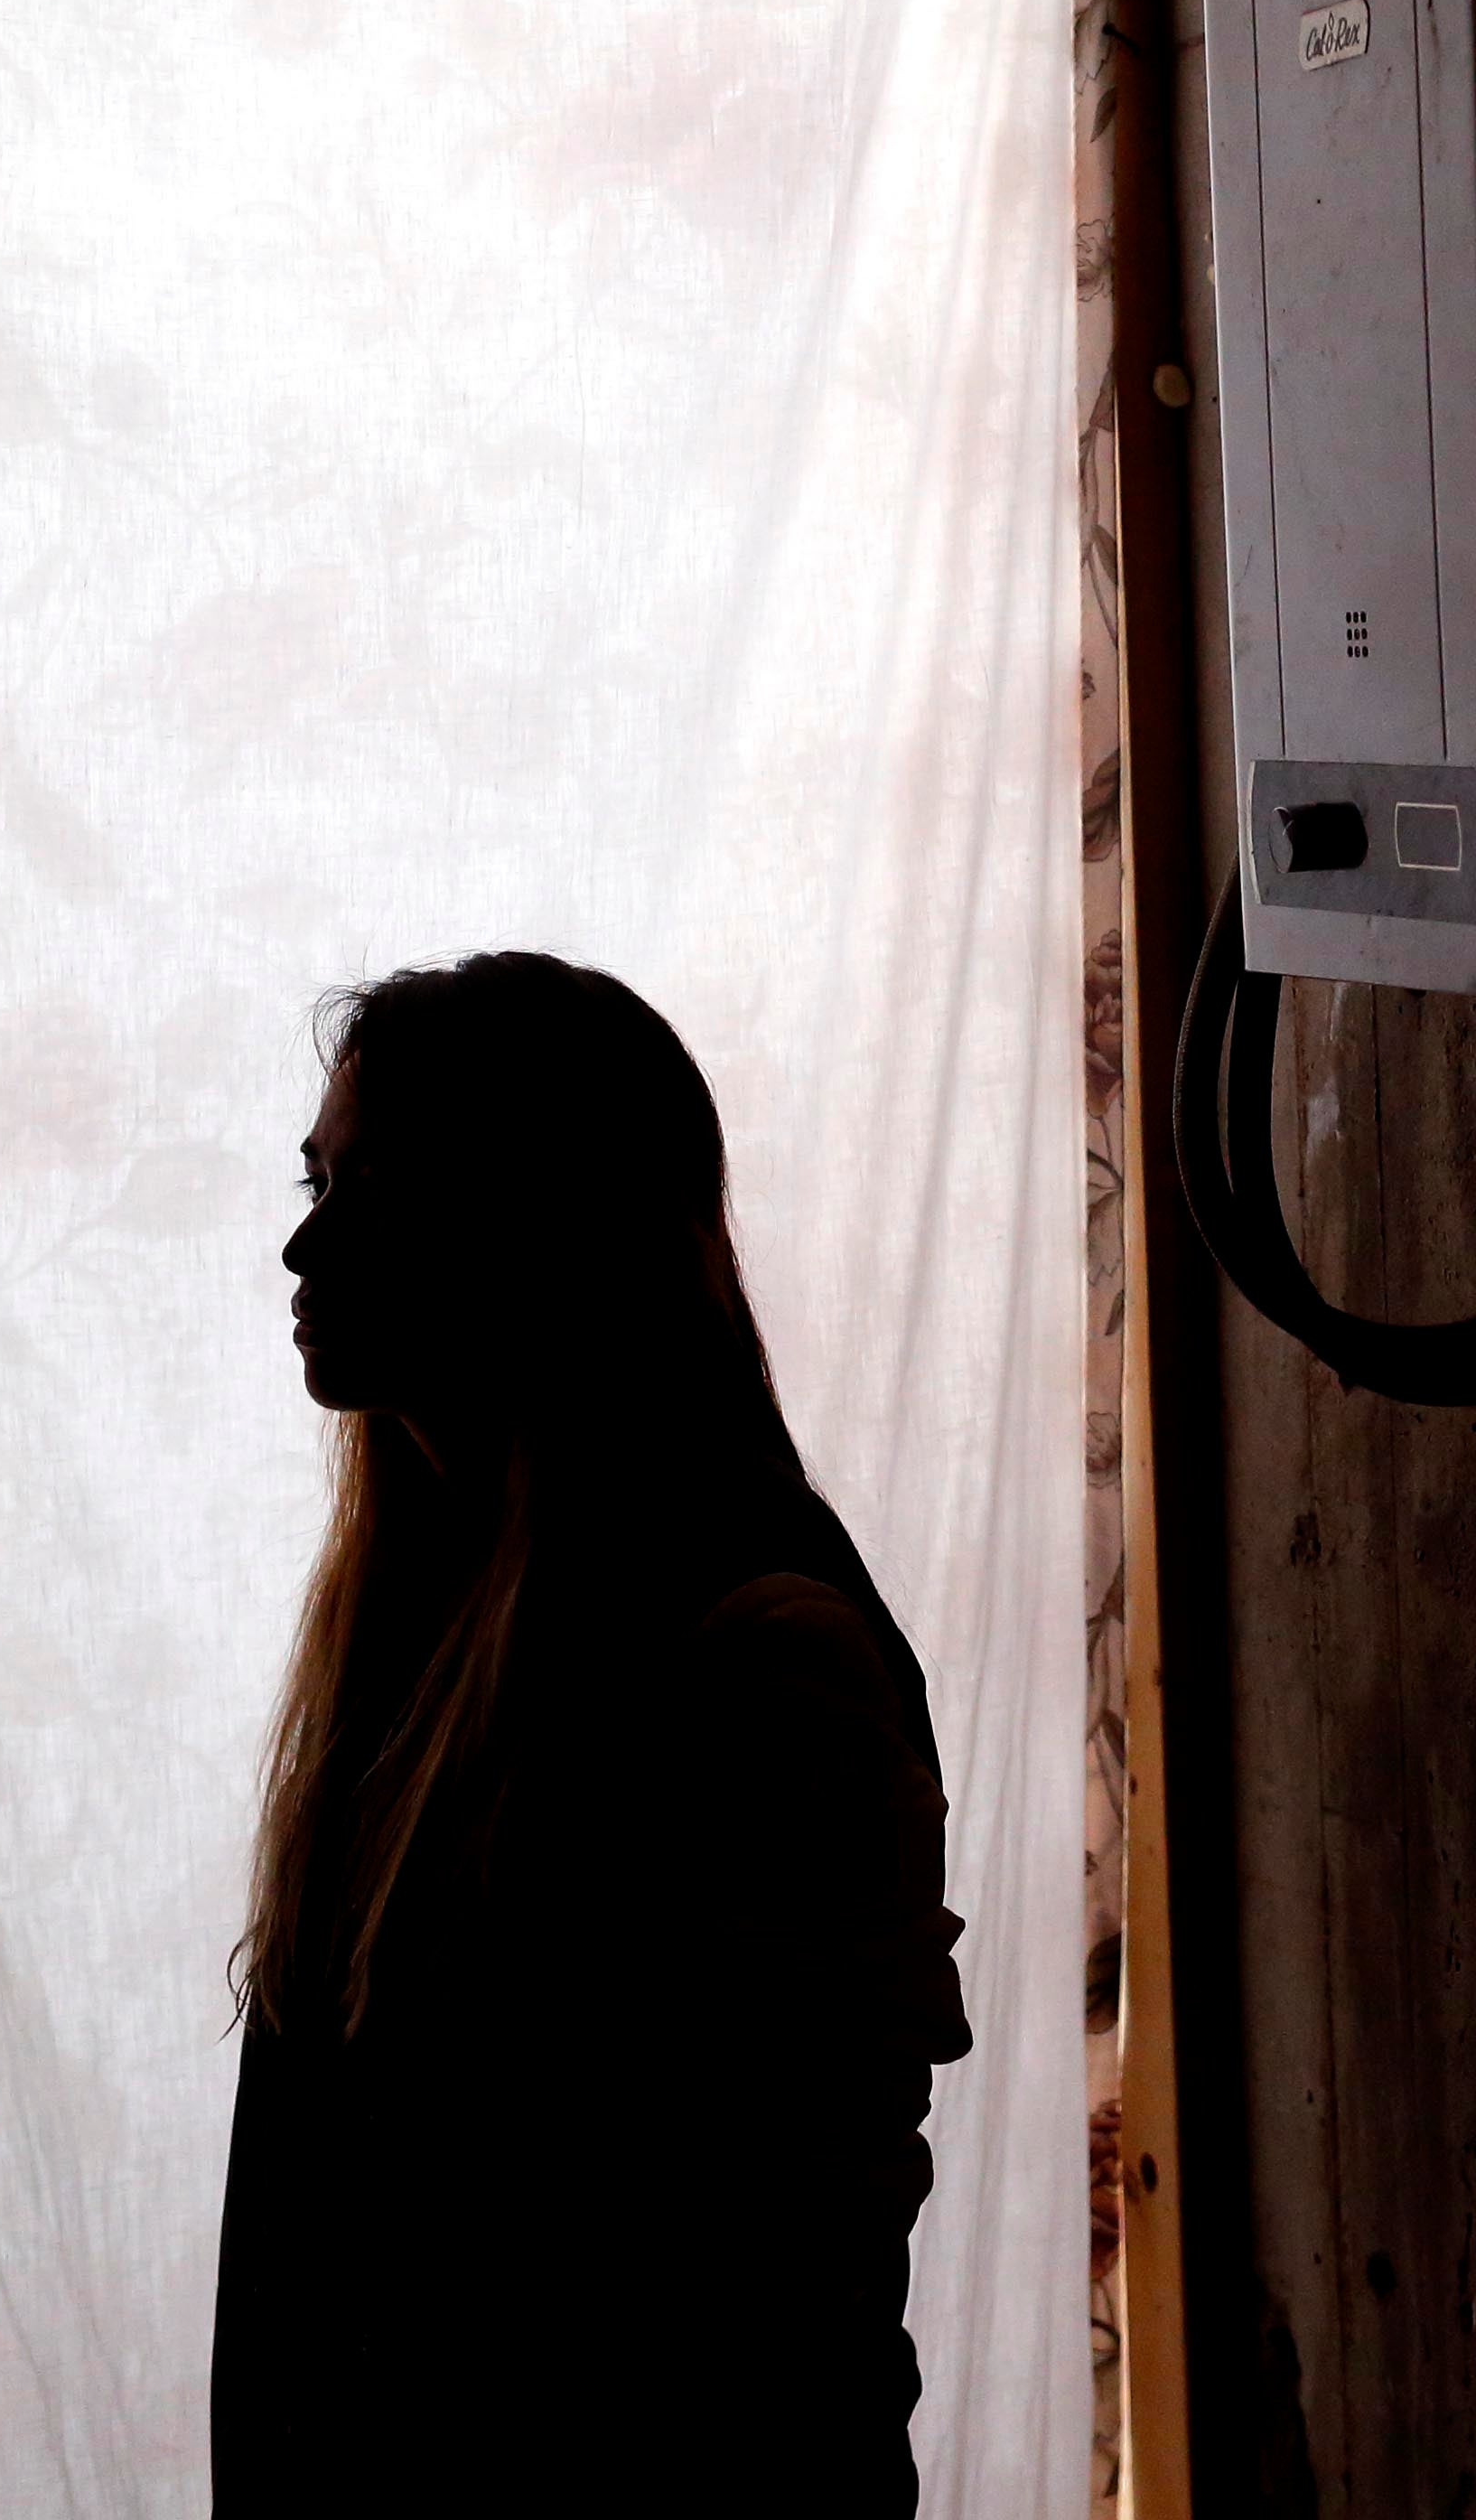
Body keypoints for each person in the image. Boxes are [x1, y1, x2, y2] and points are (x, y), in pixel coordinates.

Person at [214, 951, 967, 2513]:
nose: (303, 1245)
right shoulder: (421, 1628)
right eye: (315, 1181)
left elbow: (755, 2318)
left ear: (535, 1225)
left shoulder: (760, 1660)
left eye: (374, 1192)